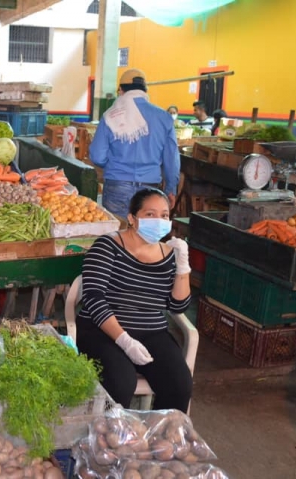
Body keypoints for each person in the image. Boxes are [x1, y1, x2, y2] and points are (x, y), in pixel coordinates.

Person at [76, 188, 192, 413]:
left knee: (179, 385)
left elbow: (178, 306)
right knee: (120, 381)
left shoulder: (169, 254)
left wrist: (183, 267)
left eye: (164, 215)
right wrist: (124, 341)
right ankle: (108, 439)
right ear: (132, 218)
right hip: (103, 331)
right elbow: (93, 298)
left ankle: (158, 440)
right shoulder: (107, 246)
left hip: (152, 331)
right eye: (150, 214)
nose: (159, 220)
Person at [89, 68, 180, 219]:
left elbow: (97, 156)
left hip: (117, 187)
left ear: (121, 91)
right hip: (149, 189)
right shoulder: (164, 117)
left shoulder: (110, 116)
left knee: (117, 237)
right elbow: (172, 160)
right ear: (145, 90)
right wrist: (171, 189)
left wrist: (115, 164)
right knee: (145, 238)